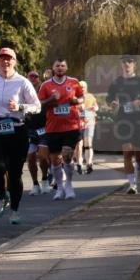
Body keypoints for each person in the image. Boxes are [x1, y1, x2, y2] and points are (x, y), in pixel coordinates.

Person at [0, 47, 41, 225]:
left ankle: (14, 210)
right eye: (2, 58)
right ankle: (2, 196)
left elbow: (37, 106)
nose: (5, 62)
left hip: (17, 129)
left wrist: (20, 107)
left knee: (15, 174)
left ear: (14, 61)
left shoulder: (22, 82)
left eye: (9, 59)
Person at [37, 58, 85, 200]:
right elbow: (39, 104)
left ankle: (69, 185)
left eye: (63, 65)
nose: (60, 68)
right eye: (57, 65)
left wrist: (77, 101)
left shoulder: (74, 82)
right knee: (55, 160)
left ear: (66, 67)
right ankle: (59, 187)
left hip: (71, 126)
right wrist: (51, 99)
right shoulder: (46, 85)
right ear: (53, 68)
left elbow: (82, 97)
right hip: (53, 128)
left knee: (67, 155)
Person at [107, 55, 140, 194]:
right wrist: (112, 103)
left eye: (129, 61)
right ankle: (132, 184)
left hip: (139, 119)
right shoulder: (116, 82)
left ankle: (139, 165)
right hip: (123, 119)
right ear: (121, 64)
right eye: (124, 62)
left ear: (134, 64)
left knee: (139, 154)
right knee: (127, 152)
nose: (127, 64)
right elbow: (109, 97)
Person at [25, 70, 50, 195]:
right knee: (30, 158)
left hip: (43, 127)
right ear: (27, 78)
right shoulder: (23, 90)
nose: (33, 78)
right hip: (29, 129)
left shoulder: (43, 89)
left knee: (42, 156)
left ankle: (45, 179)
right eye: (31, 76)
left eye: (36, 76)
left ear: (39, 79)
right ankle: (35, 184)